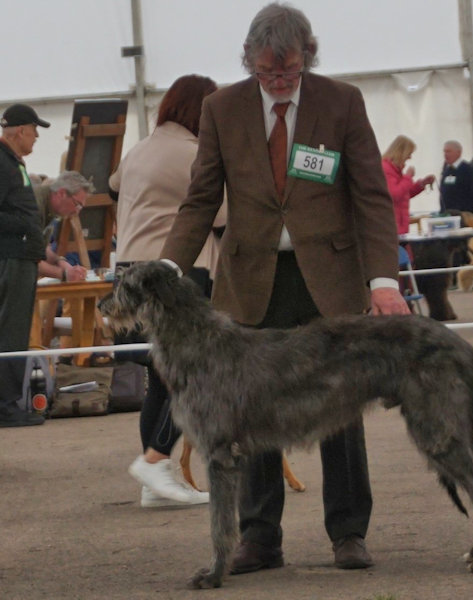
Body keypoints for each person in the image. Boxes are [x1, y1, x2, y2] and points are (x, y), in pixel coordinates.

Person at [159, 2, 410, 573]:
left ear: (307, 58)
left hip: (331, 281)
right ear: (248, 60)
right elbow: (201, 198)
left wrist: (383, 279)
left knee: (341, 408)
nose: (277, 83)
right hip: (251, 282)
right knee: (248, 413)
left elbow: (370, 194)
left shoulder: (341, 101)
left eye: (288, 72)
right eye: (267, 73)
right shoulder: (222, 107)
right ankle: (260, 538)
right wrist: (172, 266)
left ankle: (348, 533)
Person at [108, 74, 224, 508]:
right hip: (176, 271)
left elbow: (112, 186)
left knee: (158, 380)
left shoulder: (140, 149)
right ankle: (155, 462)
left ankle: (153, 483)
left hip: (129, 269)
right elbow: (223, 214)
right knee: (195, 375)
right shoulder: (193, 155)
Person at [0, 104, 51, 427]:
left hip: (18, 255)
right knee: (12, 332)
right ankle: (6, 406)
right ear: (19, 131)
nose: (35, 139)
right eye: (34, 131)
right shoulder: (3, 164)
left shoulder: (11, 163)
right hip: (12, 257)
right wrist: (23, 225)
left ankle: (7, 403)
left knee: (13, 330)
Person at [33, 170, 94, 282]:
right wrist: (65, 274)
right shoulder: (34, 206)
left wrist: (60, 262)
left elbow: (40, 248)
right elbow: (27, 260)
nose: (77, 212)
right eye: (77, 205)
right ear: (61, 193)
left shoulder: (49, 207)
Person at [382, 135, 434, 234]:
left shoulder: (396, 170)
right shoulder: (386, 169)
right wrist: (408, 177)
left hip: (400, 226)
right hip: (392, 227)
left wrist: (421, 184)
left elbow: (404, 194)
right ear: (401, 152)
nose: (410, 157)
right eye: (409, 153)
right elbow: (394, 195)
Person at [439, 140, 473, 214]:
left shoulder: (467, 169)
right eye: (444, 152)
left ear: (459, 152)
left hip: (464, 216)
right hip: (447, 216)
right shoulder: (446, 170)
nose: (445, 154)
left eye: (448, 151)